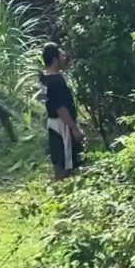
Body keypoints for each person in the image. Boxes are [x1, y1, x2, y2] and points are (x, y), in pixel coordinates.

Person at [40, 42, 83, 180]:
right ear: (54, 60)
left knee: (58, 156)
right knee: (66, 161)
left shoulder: (45, 76)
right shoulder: (56, 82)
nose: (64, 58)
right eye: (61, 55)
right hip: (62, 123)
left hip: (53, 122)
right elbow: (61, 108)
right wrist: (74, 128)